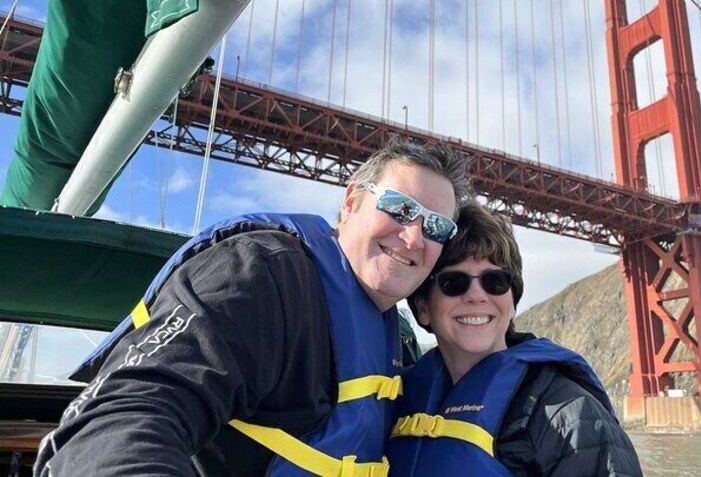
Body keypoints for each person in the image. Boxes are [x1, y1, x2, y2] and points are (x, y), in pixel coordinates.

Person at [35, 140, 471, 476]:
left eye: (436, 226)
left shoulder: (391, 336)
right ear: (352, 202)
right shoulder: (261, 273)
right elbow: (126, 415)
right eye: (399, 208)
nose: (414, 238)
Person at [388, 201, 642, 476]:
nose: (477, 295)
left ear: (512, 304)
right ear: (423, 307)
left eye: (494, 281)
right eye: (454, 282)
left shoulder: (572, 415)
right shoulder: (396, 399)